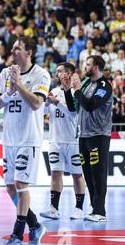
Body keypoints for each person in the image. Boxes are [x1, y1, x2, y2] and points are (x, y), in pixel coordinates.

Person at [0, 37, 50, 245]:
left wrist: (18, 85)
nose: (13, 50)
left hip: (29, 138)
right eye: (13, 46)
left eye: (18, 47)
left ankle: (17, 235)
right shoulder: (5, 73)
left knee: (21, 185)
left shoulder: (41, 74)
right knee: (10, 187)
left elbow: (36, 103)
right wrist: (8, 92)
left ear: (29, 52)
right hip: (9, 139)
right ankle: (35, 225)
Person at [68, 55, 112, 222]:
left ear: (95, 68)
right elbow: (75, 106)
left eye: (87, 65)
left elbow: (91, 104)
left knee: (99, 173)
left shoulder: (104, 86)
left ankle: (101, 211)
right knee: (88, 174)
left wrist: (78, 89)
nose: (84, 67)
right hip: (84, 135)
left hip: (99, 135)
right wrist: (67, 90)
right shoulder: (86, 84)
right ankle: (95, 209)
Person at [40, 63, 86, 220]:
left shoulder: (76, 92)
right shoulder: (53, 91)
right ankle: (54, 208)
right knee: (55, 173)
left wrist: (57, 103)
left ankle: (79, 208)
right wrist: (46, 104)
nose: (57, 73)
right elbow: (44, 112)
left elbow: (73, 114)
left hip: (73, 141)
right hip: (55, 140)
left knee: (77, 175)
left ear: (68, 73)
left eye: (60, 71)